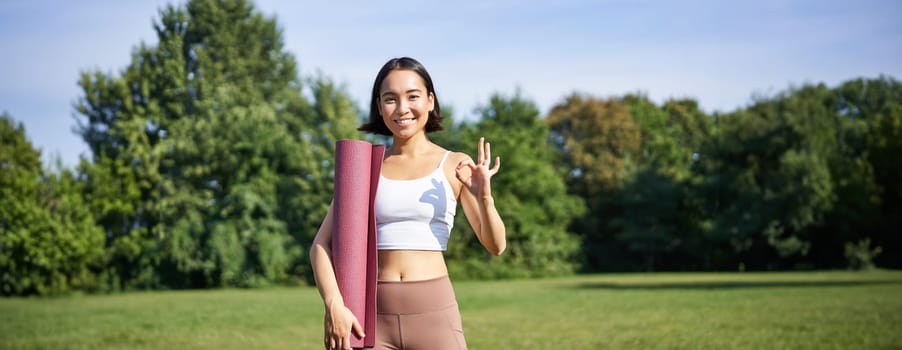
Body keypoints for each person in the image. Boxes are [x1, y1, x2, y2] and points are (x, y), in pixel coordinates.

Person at [310, 57, 507, 350]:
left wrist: (485, 198)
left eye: (412, 96)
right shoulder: (365, 168)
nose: (402, 109)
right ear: (379, 107)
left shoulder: (455, 164)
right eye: (390, 99)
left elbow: (496, 245)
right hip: (371, 320)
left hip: (435, 314)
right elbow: (321, 245)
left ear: (430, 100)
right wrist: (334, 303)